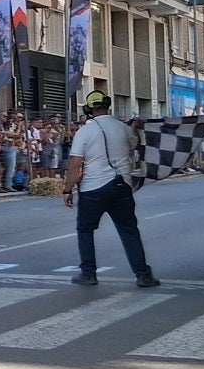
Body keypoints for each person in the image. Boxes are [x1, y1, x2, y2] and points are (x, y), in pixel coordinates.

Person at [62, 89, 160, 289]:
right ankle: (143, 275)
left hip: (93, 188)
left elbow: (75, 162)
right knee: (129, 230)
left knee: (85, 229)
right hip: (121, 185)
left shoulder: (85, 131)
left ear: (89, 109)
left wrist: (67, 189)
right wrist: (133, 128)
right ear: (108, 105)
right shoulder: (121, 128)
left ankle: (88, 273)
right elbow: (135, 143)